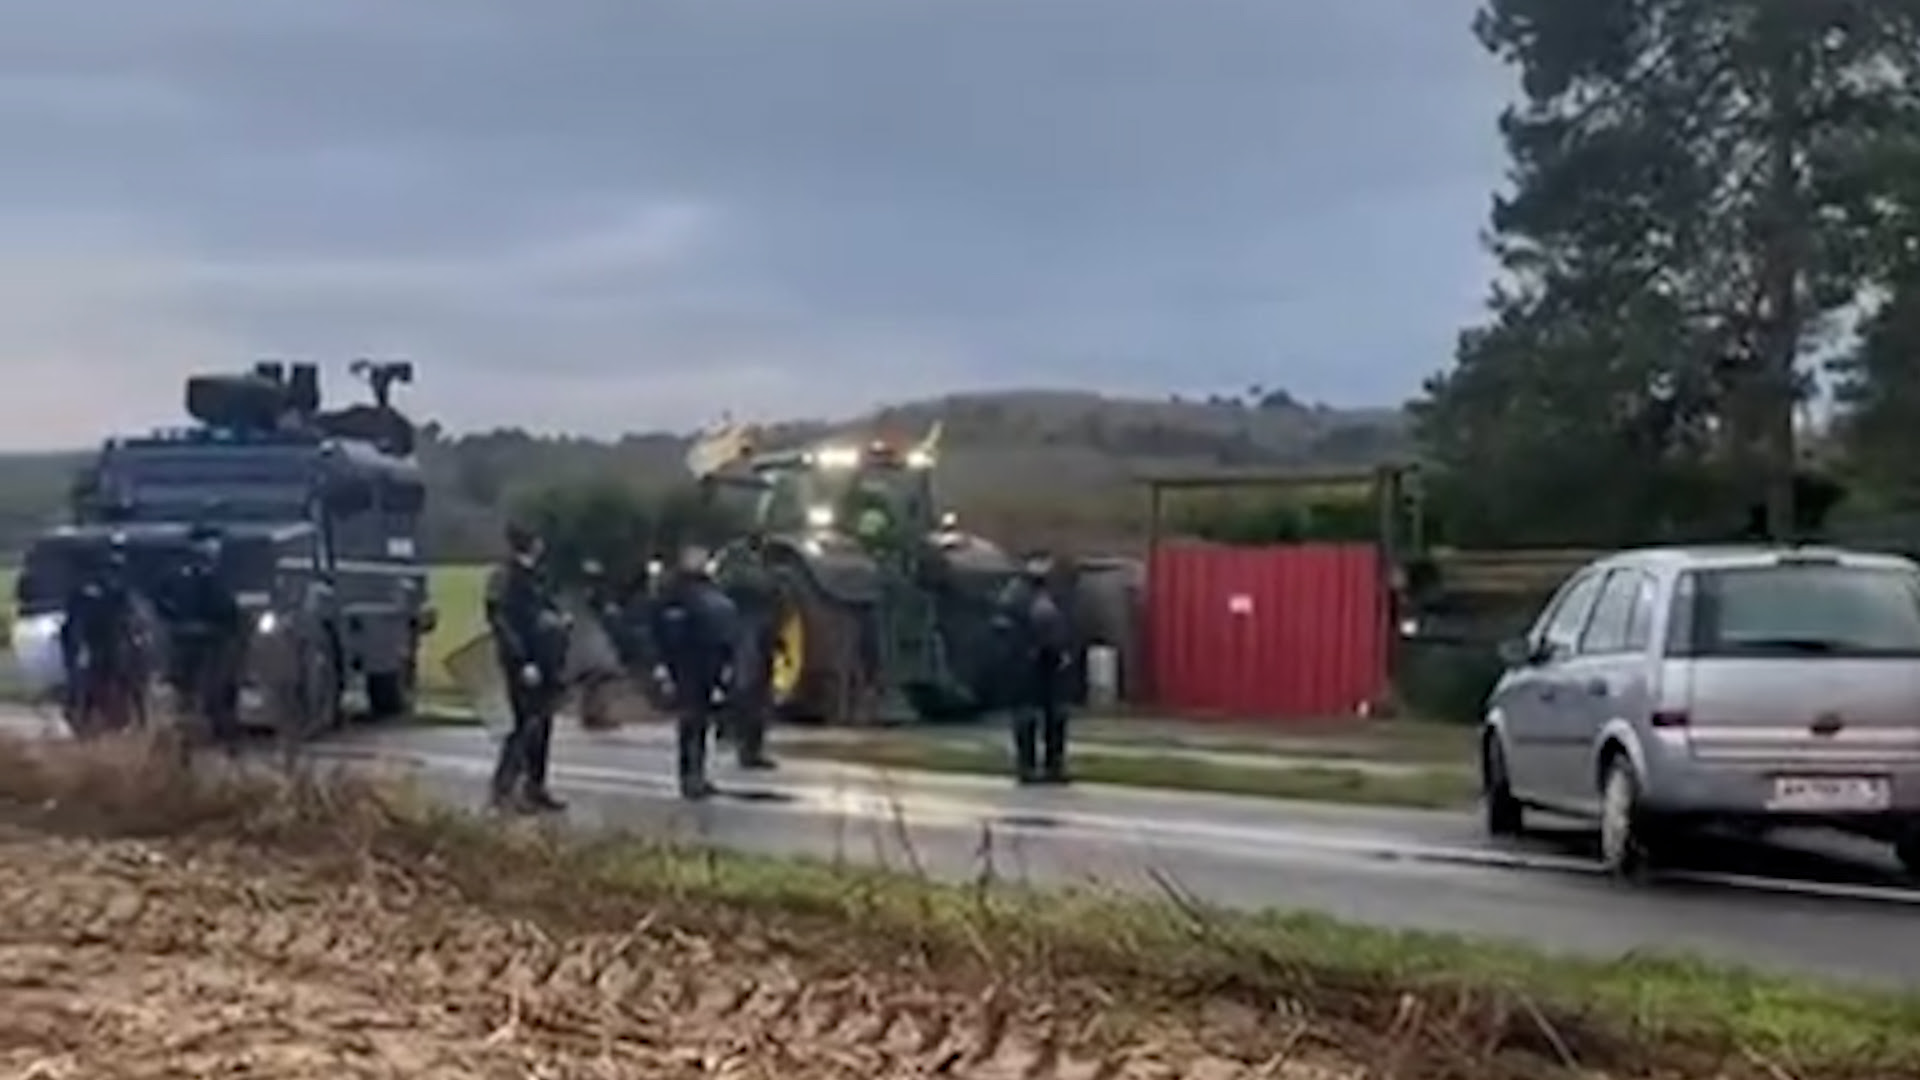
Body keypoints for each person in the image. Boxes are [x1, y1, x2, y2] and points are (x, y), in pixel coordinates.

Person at [484, 522, 571, 813]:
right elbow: (503, 623)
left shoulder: (535, 575)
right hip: (525, 663)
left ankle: (535, 786)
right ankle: (504, 789)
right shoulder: (506, 578)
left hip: (546, 659)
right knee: (522, 726)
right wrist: (522, 661)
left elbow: (543, 609)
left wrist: (560, 619)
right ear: (532, 543)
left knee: (542, 725)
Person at [650, 544, 739, 799]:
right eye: (698, 558)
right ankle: (690, 777)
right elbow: (663, 628)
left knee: (701, 722)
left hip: (709, 659)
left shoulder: (710, 588)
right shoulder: (674, 592)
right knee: (691, 720)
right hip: (687, 661)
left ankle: (698, 773)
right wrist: (662, 664)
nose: (702, 562)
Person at [992, 551, 1074, 785]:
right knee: (1026, 715)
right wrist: (1022, 651)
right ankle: (1026, 766)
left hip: (1051, 660)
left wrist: (1063, 650)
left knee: (1056, 715)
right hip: (1025, 662)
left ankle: (1054, 765)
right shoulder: (1015, 594)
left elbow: (1064, 623)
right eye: (1038, 563)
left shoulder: (1054, 593)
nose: (1042, 568)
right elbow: (1004, 629)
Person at [163, 525, 246, 754]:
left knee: (207, 695)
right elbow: (229, 612)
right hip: (204, 641)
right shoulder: (205, 576)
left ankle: (217, 742)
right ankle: (204, 744)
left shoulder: (188, 575)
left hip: (201, 640)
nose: (213, 550)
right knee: (205, 694)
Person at [59, 537, 143, 737]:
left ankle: (135, 714)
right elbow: (74, 624)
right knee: (84, 680)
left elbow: (128, 617)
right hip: (93, 641)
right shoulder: (86, 592)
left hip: (110, 640)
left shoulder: (119, 590)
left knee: (127, 675)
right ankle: (80, 713)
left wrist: (133, 636)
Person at [720, 537, 779, 771]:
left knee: (757, 690)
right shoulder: (740, 570)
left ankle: (751, 747)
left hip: (759, 632)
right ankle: (744, 744)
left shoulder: (754, 570)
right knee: (747, 687)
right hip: (747, 631)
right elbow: (758, 586)